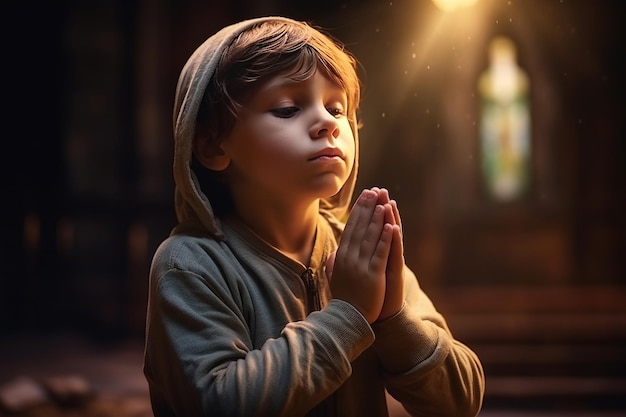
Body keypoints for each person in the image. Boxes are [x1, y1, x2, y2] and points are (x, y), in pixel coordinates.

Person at [143, 15, 485, 417]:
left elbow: (461, 401)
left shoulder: (362, 252)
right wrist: (349, 315)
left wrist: (393, 317)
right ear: (212, 144)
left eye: (337, 108)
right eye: (288, 108)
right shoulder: (190, 266)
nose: (326, 122)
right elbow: (219, 402)